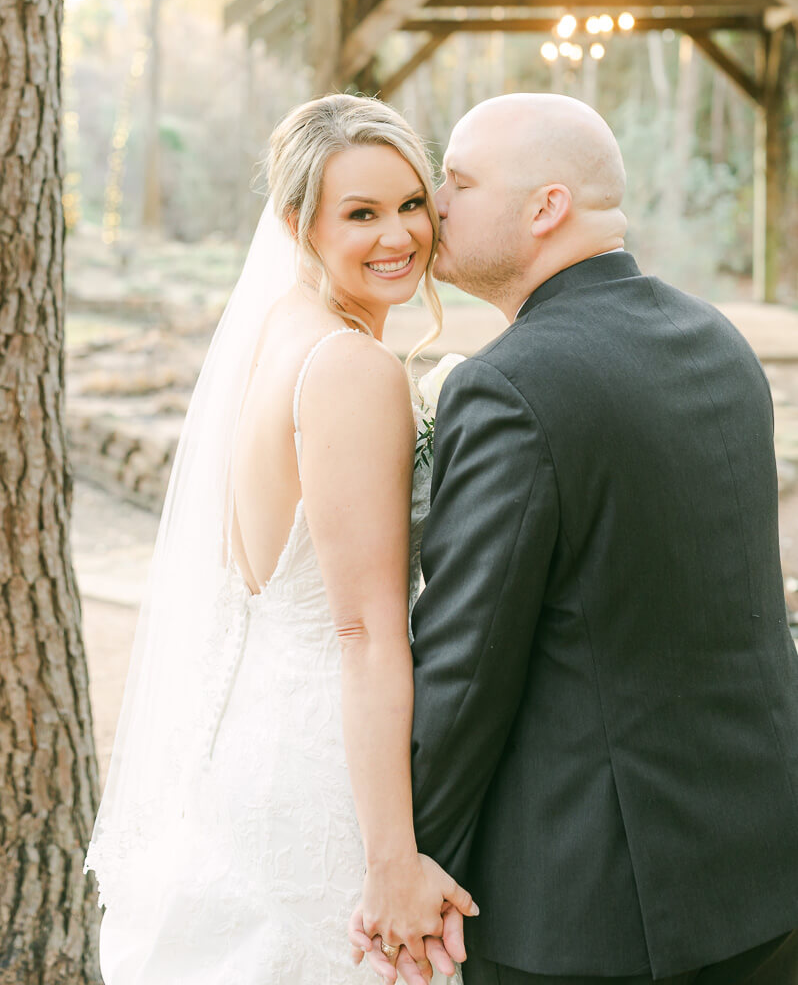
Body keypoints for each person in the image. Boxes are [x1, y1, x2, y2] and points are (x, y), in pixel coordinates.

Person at [351, 93, 798, 985]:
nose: (434, 205)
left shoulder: (513, 384)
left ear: (546, 207)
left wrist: (411, 868)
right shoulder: (718, 341)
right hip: (762, 872)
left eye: (456, 182)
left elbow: (466, 664)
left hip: (591, 910)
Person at [84, 93, 476, 984]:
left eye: (412, 204)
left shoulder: (279, 331)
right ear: (299, 221)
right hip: (326, 778)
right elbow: (366, 632)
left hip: (250, 742)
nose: (398, 236)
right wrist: (390, 862)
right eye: (362, 214)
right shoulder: (350, 366)